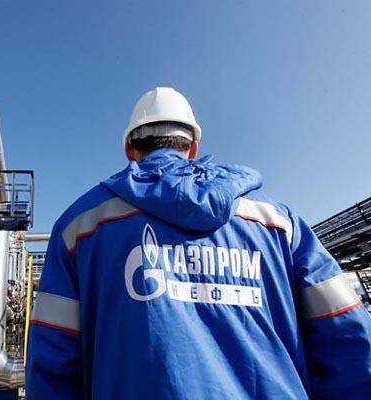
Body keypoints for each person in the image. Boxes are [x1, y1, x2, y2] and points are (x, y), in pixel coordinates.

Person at [26, 87, 371, 399]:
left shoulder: (79, 227)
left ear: (130, 148)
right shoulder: (279, 223)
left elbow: (54, 362)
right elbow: (348, 337)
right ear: (192, 147)